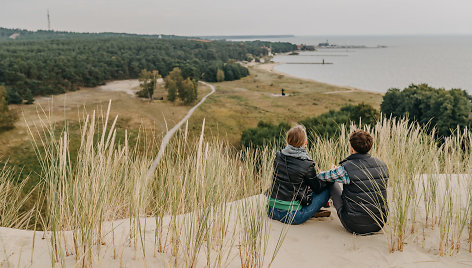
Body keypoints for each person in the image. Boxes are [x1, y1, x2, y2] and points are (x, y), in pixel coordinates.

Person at [317, 130, 389, 234]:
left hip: (354, 225)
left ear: (351, 148)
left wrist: (334, 171)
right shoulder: (382, 165)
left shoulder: (346, 168)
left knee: (331, 183)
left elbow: (322, 176)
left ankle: (321, 205)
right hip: (379, 223)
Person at [267, 125, 331, 225]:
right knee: (327, 190)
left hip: (271, 210)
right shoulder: (306, 164)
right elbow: (317, 188)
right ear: (305, 143)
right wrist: (327, 179)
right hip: (292, 216)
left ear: (288, 141)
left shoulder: (278, 156)